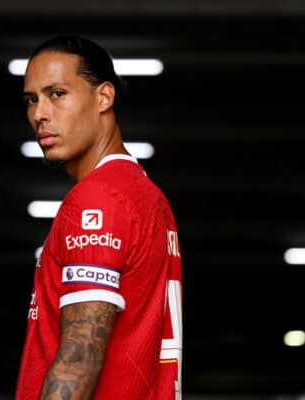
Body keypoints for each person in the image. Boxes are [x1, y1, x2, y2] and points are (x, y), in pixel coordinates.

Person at [16, 35, 183, 400]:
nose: (39, 114)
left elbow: (78, 361)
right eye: (32, 99)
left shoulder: (98, 198)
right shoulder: (146, 197)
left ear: (103, 97)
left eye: (57, 93)